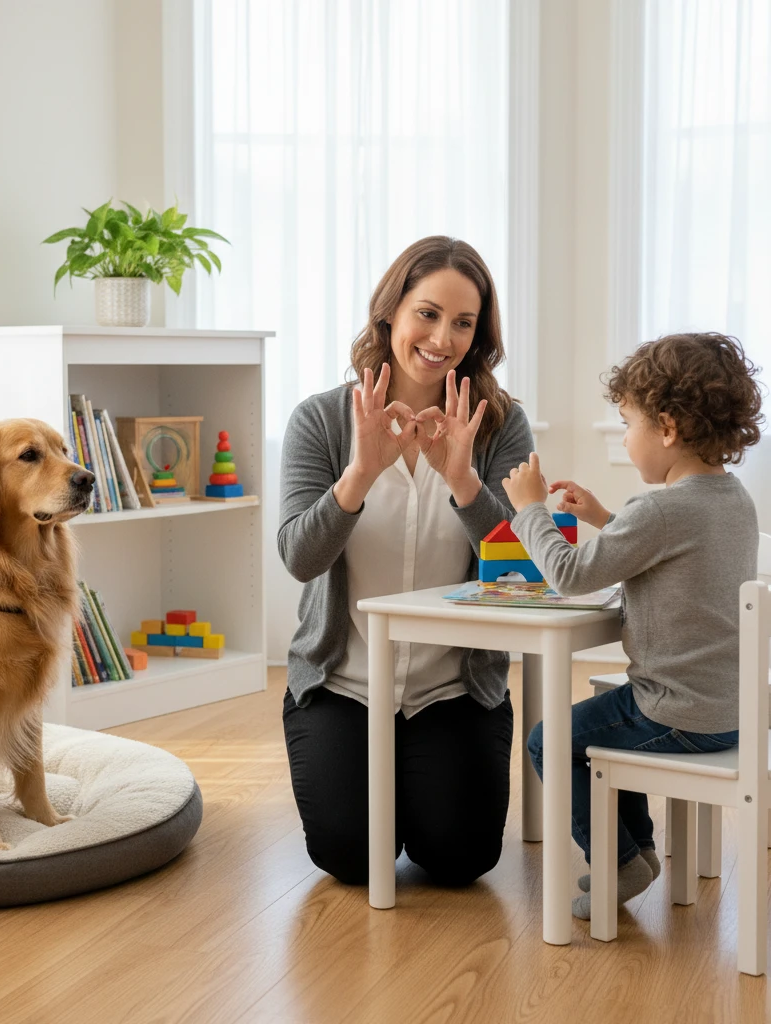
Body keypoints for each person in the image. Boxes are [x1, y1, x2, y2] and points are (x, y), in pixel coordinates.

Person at [278, 235, 534, 886]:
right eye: (427, 313)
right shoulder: (321, 421)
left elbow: (521, 572)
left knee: (459, 858)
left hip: (454, 688)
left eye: (463, 323)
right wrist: (360, 473)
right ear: (390, 311)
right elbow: (301, 558)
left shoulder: (500, 424)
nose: (443, 338)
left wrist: (464, 482)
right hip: (343, 684)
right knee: (350, 856)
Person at [502, 332, 764, 919]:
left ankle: (620, 858)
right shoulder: (733, 499)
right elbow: (671, 549)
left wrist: (529, 510)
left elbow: (570, 574)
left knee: (550, 740)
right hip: (728, 710)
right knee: (605, 721)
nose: (623, 439)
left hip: (675, 711)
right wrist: (602, 516)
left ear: (666, 428)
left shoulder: (661, 510)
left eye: (627, 424)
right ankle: (638, 854)